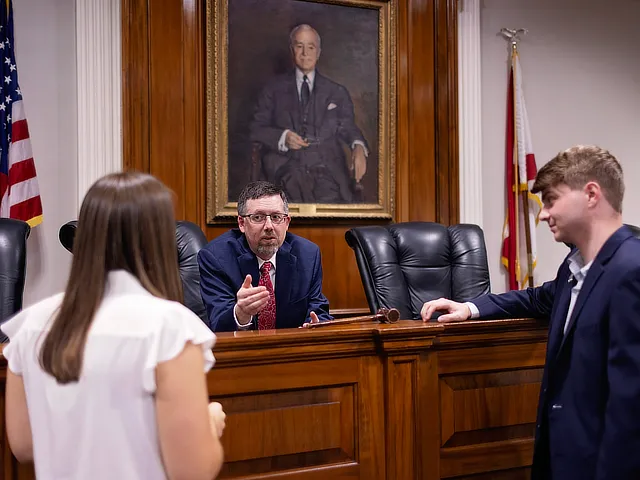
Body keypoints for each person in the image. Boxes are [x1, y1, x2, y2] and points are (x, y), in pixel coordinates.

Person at [421, 145, 640, 480]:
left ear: (592, 194)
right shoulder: (575, 267)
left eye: (551, 199)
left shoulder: (631, 270)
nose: (542, 214)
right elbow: (537, 299)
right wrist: (468, 306)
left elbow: (631, 410)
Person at [1, 172, 226, 480]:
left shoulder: (29, 327)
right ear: (160, 239)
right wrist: (210, 422)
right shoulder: (170, 328)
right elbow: (192, 470)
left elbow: (24, 446)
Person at [250, 23, 369, 204]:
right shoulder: (273, 90)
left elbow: (348, 126)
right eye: (299, 46)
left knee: (331, 204)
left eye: (311, 47)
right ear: (292, 50)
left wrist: (358, 146)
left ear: (318, 52)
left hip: (327, 170)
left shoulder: (336, 91)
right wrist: (283, 137)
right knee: (292, 195)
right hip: (286, 168)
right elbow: (256, 129)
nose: (305, 53)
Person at [198, 181, 332, 332]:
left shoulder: (307, 255)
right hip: (240, 351)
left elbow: (318, 309)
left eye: (276, 217)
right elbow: (217, 323)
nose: (269, 226)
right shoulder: (215, 257)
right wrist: (240, 313)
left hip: (291, 349)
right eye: (258, 217)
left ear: (286, 222)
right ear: (242, 223)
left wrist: (315, 324)